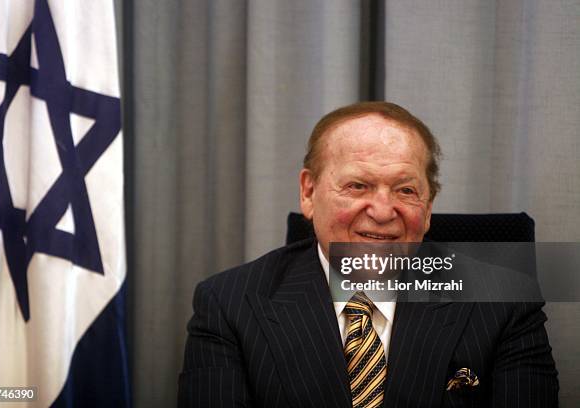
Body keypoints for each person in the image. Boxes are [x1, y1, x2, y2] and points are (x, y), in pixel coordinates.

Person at [178, 102, 558, 407]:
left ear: (427, 209)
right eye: (358, 185)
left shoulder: (504, 301)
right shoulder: (228, 303)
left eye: (406, 190)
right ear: (308, 193)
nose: (381, 211)